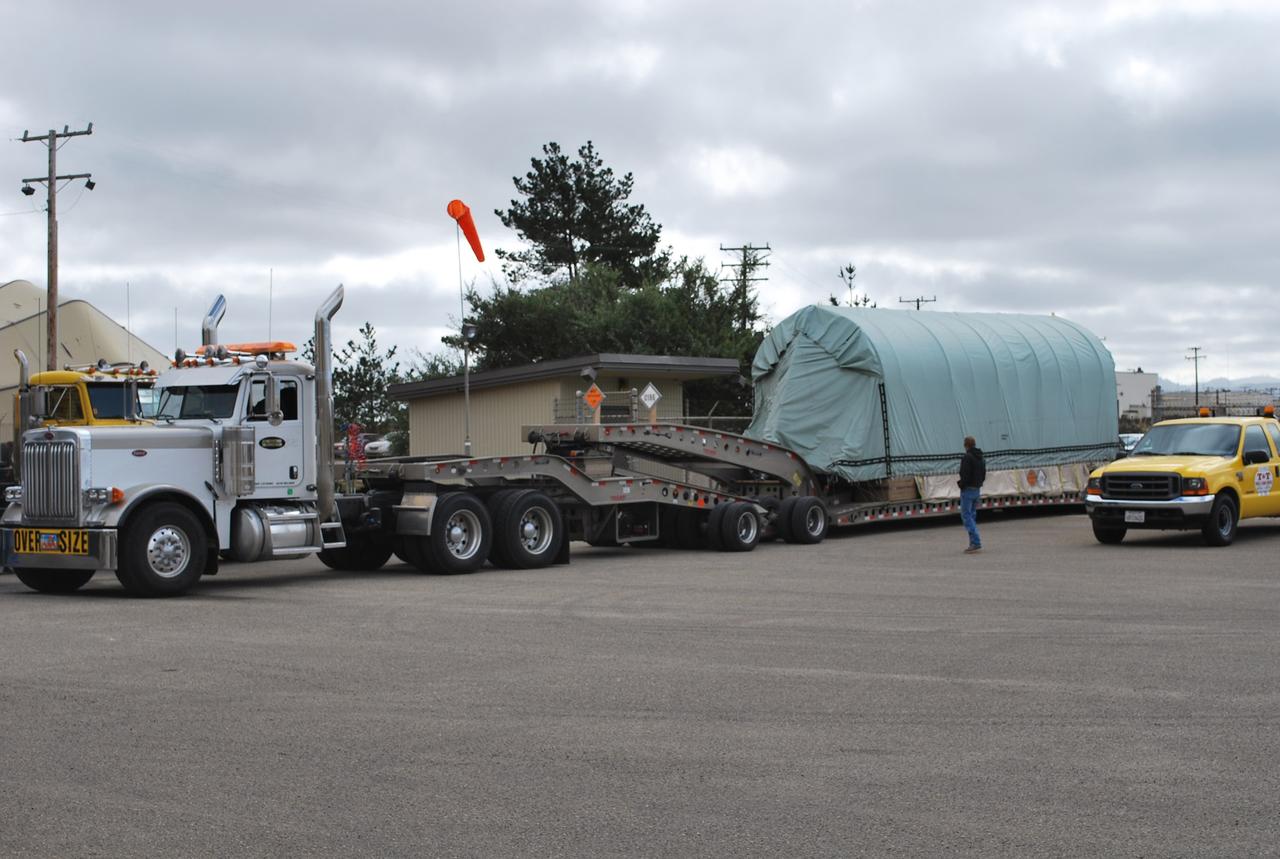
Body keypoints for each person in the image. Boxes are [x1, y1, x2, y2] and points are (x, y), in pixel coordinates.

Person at [959, 436, 985, 553]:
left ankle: (975, 542)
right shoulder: (981, 457)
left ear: (966, 445)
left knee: (966, 517)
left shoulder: (967, 457)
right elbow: (984, 474)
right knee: (972, 516)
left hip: (968, 490)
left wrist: (961, 484)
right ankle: (972, 543)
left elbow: (964, 474)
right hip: (977, 489)